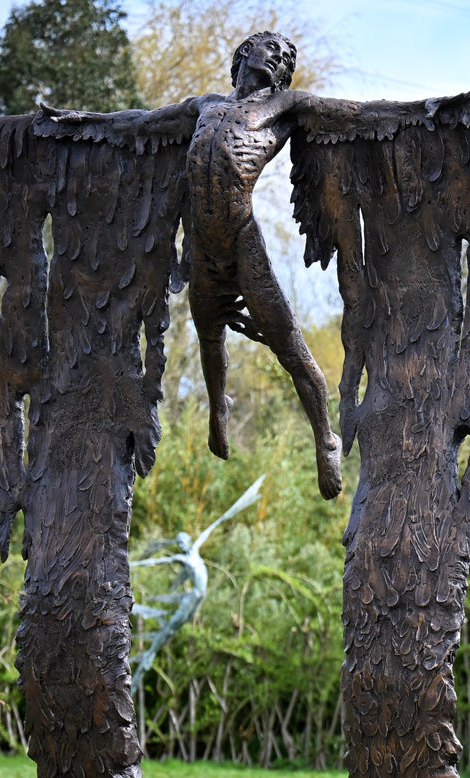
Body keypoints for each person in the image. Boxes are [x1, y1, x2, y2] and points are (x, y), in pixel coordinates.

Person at [42, 32, 341, 500]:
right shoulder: (204, 105)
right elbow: (139, 124)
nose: (280, 59)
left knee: (288, 341)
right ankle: (218, 408)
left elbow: (362, 115)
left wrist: (429, 111)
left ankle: (325, 438)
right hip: (202, 243)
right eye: (273, 50)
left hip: (243, 238)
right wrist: (86, 119)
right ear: (244, 55)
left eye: (286, 58)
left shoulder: (287, 105)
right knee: (208, 332)